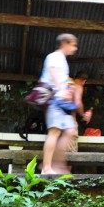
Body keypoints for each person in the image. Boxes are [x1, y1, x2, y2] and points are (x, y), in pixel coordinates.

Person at [40, 33, 79, 175]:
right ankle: (46, 168)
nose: (74, 49)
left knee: (70, 131)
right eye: (73, 45)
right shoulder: (55, 56)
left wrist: (68, 90)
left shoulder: (62, 59)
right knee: (54, 132)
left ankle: (57, 165)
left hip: (62, 103)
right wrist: (62, 90)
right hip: (55, 100)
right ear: (65, 43)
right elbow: (53, 72)